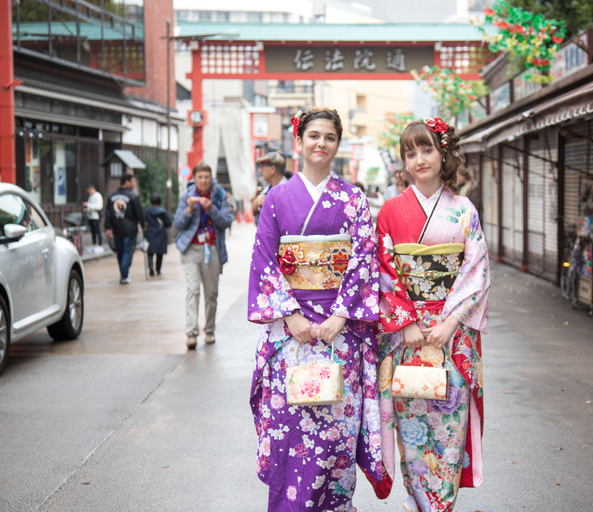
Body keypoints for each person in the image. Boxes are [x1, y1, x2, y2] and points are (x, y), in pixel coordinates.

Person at [247, 108, 381, 511]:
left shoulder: (353, 198)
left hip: (341, 334)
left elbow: (364, 258)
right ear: (299, 142)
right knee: (290, 431)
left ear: (338, 145)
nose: (321, 143)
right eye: (313, 136)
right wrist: (289, 314)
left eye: (329, 137)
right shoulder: (277, 198)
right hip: (291, 335)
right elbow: (264, 260)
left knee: (337, 435)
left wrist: (341, 315)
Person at [374, 118, 490, 512]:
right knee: (411, 419)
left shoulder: (463, 210)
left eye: (427, 150)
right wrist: (405, 322)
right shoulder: (391, 211)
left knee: (449, 420)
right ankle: (415, 500)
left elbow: (477, 271)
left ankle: (441, 504)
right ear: (403, 162)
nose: (419, 159)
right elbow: (383, 270)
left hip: (451, 335)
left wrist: (451, 322)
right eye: (410, 153)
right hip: (406, 337)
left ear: (443, 154)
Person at [174, 162, 232, 349]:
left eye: (207, 177)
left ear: (211, 177)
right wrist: (190, 209)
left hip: (212, 249)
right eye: (200, 177)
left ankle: (209, 331)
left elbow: (225, 222)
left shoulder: (219, 195)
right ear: (195, 178)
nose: (203, 180)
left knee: (211, 293)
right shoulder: (187, 196)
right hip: (191, 250)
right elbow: (178, 224)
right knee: (193, 290)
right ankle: (191, 333)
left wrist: (210, 208)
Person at [105, 173, 145, 284]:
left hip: (117, 229)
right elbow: (139, 213)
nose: (134, 184)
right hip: (130, 229)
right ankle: (124, 273)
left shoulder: (111, 196)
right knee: (127, 251)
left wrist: (108, 227)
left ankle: (124, 274)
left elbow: (108, 213)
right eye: (132, 181)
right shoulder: (133, 196)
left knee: (120, 252)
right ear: (127, 182)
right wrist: (143, 225)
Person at [251, 152, 288, 227]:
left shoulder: (287, 192)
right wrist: (255, 210)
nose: (260, 170)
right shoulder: (264, 193)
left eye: (262, 167)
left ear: (272, 169)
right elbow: (261, 227)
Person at [144, 193, 172, 276]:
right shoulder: (163, 211)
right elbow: (169, 223)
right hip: (161, 233)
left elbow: (143, 222)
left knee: (150, 251)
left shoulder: (147, 211)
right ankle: (158, 269)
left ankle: (151, 267)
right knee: (160, 252)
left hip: (150, 233)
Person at [82, 184, 104, 249]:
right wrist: (87, 209)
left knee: (97, 231)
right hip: (90, 216)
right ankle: (94, 245)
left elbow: (99, 206)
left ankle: (100, 245)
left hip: (96, 216)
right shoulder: (90, 196)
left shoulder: (98, 195)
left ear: (91, 189)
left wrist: (88, 205)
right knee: (93, 232)